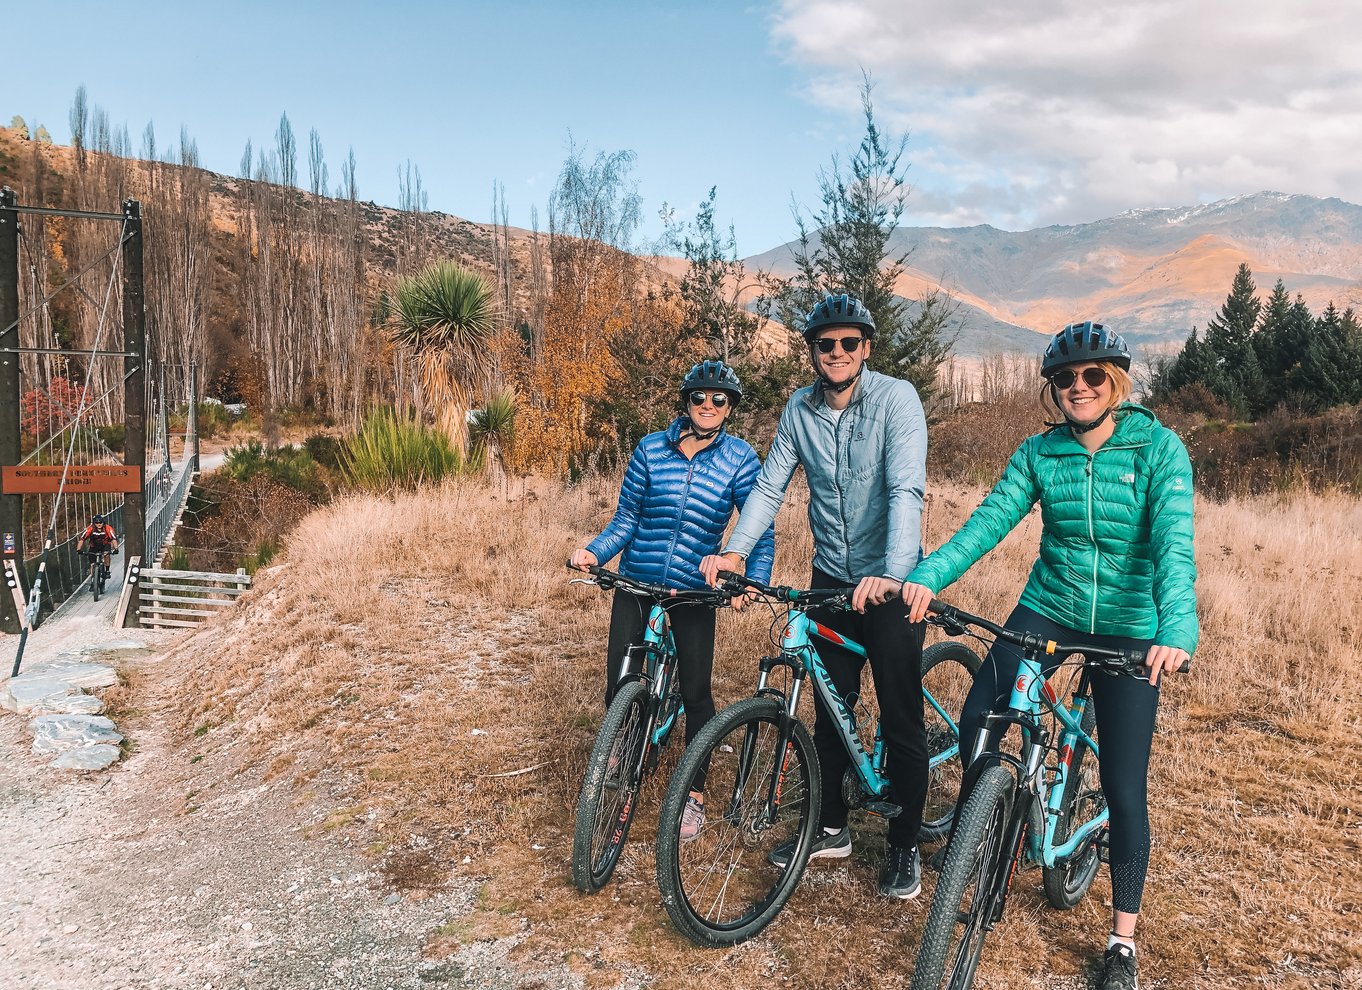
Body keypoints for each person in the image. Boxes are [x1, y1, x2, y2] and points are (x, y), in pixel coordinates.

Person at [901, 320, 1197, 990]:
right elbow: (988, 521)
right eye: (1065, 379)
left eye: (1092, 376)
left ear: (1116, 381)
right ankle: (984, 835)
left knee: (1124, 787)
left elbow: (1176, 549)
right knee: (983, 710)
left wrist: (1176, 630)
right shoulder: (1041, 452)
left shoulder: (1158, 449)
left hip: (1130, 624)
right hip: (1051, 604)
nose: (1078, 388)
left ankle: (1122, 942)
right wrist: (927, 575)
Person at [700, 293, 930, 900]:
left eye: (848, 342)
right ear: (813, 352)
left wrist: (895, 574)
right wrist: (734, 551)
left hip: (891, 578)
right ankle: (832, 826)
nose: (836, 353)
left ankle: (905, 842)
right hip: (831, 575)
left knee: (901, 715)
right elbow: (770, 488)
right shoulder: (798, 409)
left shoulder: (896, 399)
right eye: (825, 344)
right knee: (831, 707)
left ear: (866, 348)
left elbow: (907, 491)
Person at [570, 360, 775, 841]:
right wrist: (593, 551)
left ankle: (695, 796)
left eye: (718, 399)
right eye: (699, 397)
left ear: (730, 408)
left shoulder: (742, 459)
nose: (708, 405)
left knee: (698, 694)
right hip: (637, 581)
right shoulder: (649, 449)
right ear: (686, 403)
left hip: (694, 591)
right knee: (620, 679)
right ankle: (620, 744)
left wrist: (751, 580)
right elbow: (626, 520)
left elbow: (759, 531)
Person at [77, 513, 118, 581]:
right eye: (97, 522)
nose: (99, 524)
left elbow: (113, 539)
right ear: (94, 523)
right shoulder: (90, 529)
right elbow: (82, 539)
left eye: (100, 522)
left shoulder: (108, 528)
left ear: (103, 522)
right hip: (94, 546)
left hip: (105, 545)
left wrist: (116, 548)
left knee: (106, 554)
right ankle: (93, 580)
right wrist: (78, 549)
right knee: (92, 563)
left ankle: (107, 570)